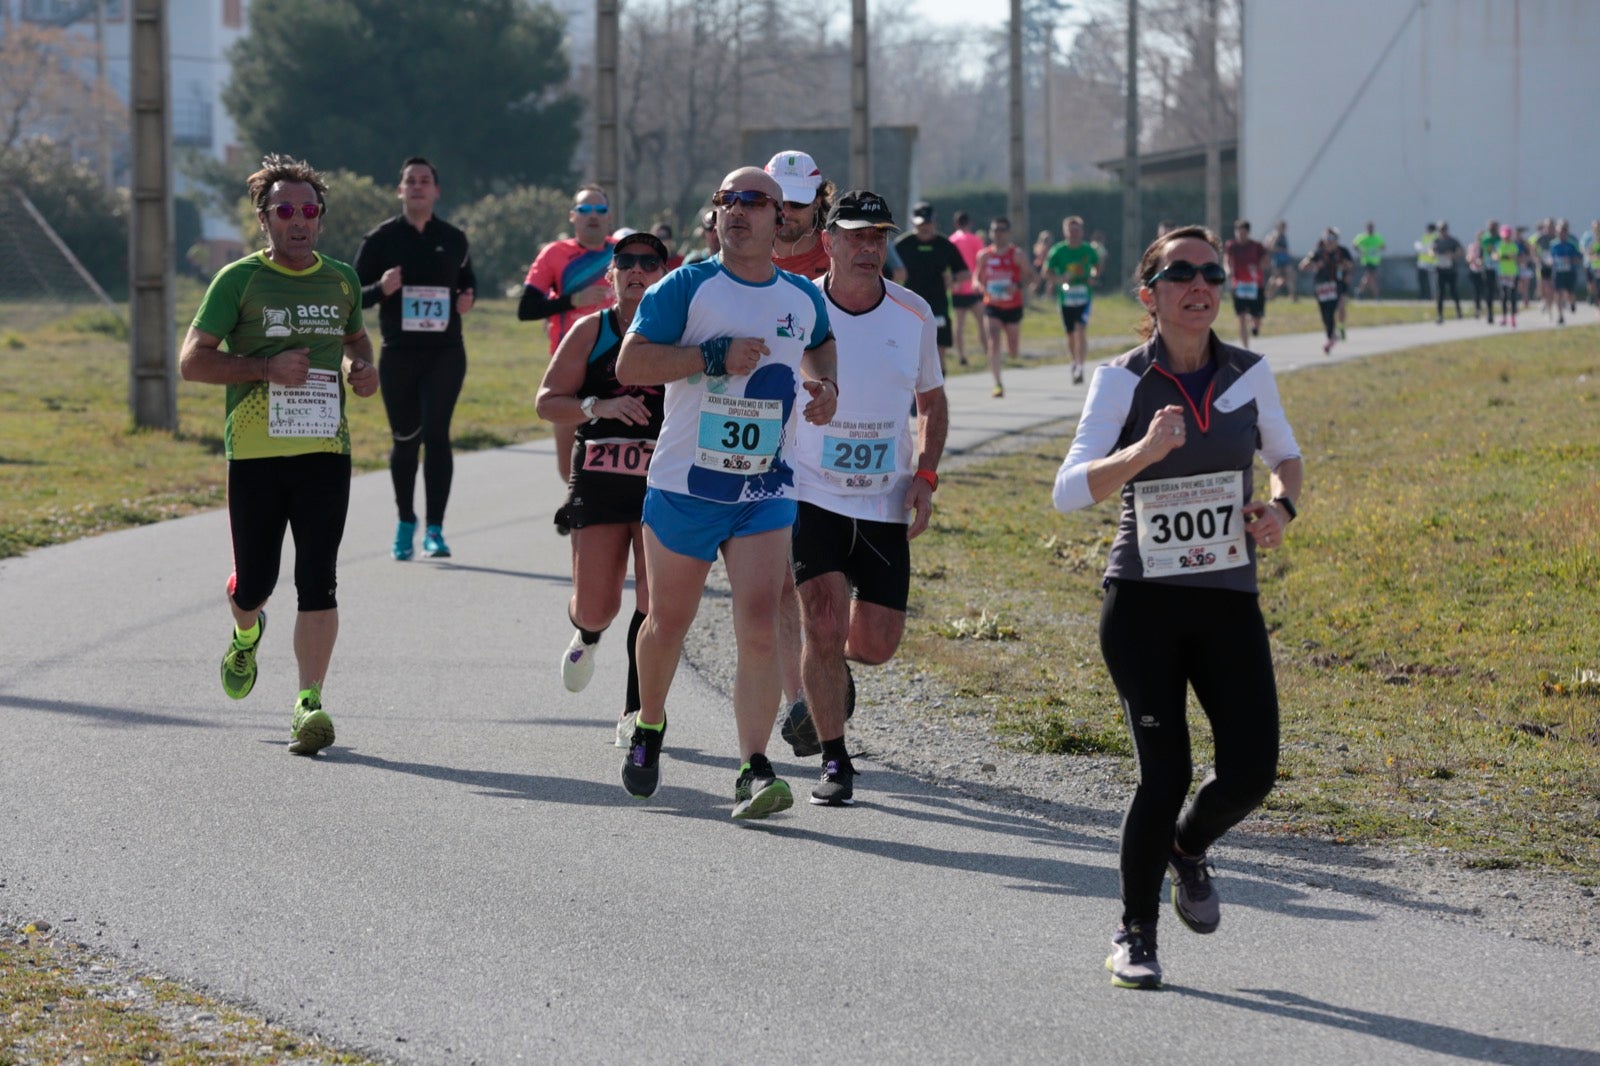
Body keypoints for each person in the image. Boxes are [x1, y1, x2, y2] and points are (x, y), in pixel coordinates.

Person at [1051, 223, 1303, 990]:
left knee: (1253, 771)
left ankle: (1187, 849)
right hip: (1142, 603)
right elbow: (1066, 493)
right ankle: (1135, 933)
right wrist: (1142, 454)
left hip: (1227, 597)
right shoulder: (1122, 380)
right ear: (1150, 294)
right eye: (1182, 273)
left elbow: (1285, 457)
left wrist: (1282, 509)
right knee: (1165, 772)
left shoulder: (1248, 373)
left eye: (1212, 275)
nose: (1201, 286)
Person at [613, 166, 838, 820]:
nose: (736, 211)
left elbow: (820, 348)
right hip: (685, 485)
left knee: (761, 625)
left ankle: (752, 767)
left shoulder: (801, 297)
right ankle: (649, 723)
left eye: (752, 201)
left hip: (766, 487)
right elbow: (631, 365)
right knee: (667, 624)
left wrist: (826, 389)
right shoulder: (686, 287)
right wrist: (711, 356)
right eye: (725, 201)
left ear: (781, 217)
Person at [178, 154, 379, 757]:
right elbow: (193, 361)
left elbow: (355, 336)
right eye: (285, 210)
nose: (299, 221)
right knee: (257, 583)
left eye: (309, 211)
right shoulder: (237, 281)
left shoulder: (340, 278)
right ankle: (246, 631)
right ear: (264, 218)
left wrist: (360, 368)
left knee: (319, 578)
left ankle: (309, 703)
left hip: (324, 450)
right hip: (257, 454)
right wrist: (264, 368)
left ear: (320, 218)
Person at [780, 190, 948, 806]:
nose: (869, 248)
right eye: (856, 236)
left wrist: (925, 478)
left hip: (883, 501)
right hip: (811, 492)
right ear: (829, 241)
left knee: (874, 644)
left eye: (879, 237)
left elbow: (932, 402)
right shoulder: (799, 308)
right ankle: (834, 760)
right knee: (822, 622)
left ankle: (826, 666)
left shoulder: (913, 313)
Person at [534, 232, 669, 743]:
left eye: (649, 262)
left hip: (662, 480)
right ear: (610, 276)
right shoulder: (592, 331)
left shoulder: (679, 332)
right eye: (626, 262)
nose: (638, 270)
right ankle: (588, 635)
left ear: (665, 274)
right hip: (600, 473)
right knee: (597, 604)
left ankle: (634, 712)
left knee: (653, 603)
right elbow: (548, 402)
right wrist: (599, 407)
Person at [353, 156, 475, 562]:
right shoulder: (381, 239)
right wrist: (381, 288)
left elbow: (468, 281)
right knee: (406, 439)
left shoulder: (455, 238)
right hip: (399, 353)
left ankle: (436, 530)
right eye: (411, 181)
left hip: (445, 353)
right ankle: (407, 521)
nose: (419, 186)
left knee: (437, 434)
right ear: (400, 190)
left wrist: (466, 298)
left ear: (436, 190)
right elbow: (353, 297)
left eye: (426, 180)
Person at [520, 185, 618, 490]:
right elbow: (527, 308)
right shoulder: (555, 254)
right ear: (572, 217)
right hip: (571, 367)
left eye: (599, 210)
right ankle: (577, 498)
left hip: (621, 365)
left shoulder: (625, 252)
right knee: (569, 468)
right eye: (585, 210)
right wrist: (573, 301)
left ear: (608, 217)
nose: (593, 217)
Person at [893, 201, 971, 374]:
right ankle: (914, 398)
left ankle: (938, 393)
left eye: (928, 223)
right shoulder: (902, 245)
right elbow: (885, 272)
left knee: (938, 352)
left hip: (938, 304)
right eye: (921, 224)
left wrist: (953, 279)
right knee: (912, 352)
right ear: (913, 223)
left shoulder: (945, 246)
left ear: (935, 222)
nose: (925, 228)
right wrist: (896, 276)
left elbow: (966, 273)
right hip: (910, 305)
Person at [973, 216, 1033, 398]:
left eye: (1001, 230)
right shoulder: (984, 255)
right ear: (991, 233)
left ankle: (1012, 353)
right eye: (995, 230)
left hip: (1013, 305)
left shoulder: (1017, 255)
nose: (998, 234)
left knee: (1013, 349)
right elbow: (977, 276)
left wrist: (1017, 286)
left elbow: (1030, 276)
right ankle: (997, 383)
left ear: (1008, 233)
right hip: (992, 304)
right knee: (993, 340)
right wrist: (978, 285)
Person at [1044, 215, 1102, 383]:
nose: (1074, 234)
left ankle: (1080, 366)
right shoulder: (1058, 251)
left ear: (1082, 232)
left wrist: (1093, 275)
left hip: (1084, 296)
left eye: (1077, 230)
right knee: (1070, 334)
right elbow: (1047, 272)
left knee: (1081, 329)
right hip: (1066, 297)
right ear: (1065, 233)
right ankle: (1074, 362)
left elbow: (1097, 266)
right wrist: (1059, 279)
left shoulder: (1088, 250)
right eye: (1071, 231)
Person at [765, 149, 832, 281]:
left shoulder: (841, 260)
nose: (786, 212)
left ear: (817, 203)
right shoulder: (744, 256)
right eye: (779, 202)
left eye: (798, 203)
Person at [1221, 219, 1267, 351]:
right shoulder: (1231, 245)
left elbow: (1265, 261)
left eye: (1243, 232)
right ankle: (1246, 349)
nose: (1240, 235)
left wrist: (1258, 267)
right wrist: (1228, 270)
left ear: (1248, 232)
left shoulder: (1256, 246)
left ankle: (1255, 326)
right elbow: (1226, 260)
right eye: (1238, 232)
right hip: (1239, 285)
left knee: (1257, 317)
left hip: (1255, 285)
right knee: (1241, 317)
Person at [1302, 231, 1350, 355]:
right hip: (1321, 287)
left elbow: (1350, 265)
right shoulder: (1318, 252)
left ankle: (1336, 332)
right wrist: (1314, 265)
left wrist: (1345, 267)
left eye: (1332, 239)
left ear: (1336, 240)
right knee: (1325, 314)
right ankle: (1331, 336)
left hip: (1337, 285)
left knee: (1337, 308)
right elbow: (1303, 266)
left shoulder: (1342, 251)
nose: (1329, 242)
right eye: (1327, 239)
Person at [948, 210, 984, 367]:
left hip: (957, 288)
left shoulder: (951, 240)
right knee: (983, 323)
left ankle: (961, 356)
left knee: (959, 326)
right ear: (970, 223)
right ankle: (988, 351)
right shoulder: (976, 239)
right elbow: (982, 263)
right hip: (974, 288)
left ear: (955, 224)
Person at [1548, 219, 1581, 326]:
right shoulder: (1553, 244)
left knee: (1570, 293)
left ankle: (1572, 303)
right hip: (1558, 272)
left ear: (1566, 232)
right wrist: (1551, 261)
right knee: (1558, 294)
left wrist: (1570, 260)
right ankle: (1560, 316)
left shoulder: (1572, 244)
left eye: (1563, 231)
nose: (1561, 233)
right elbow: (1550, 257)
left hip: (1570, 272)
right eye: (1559, 231)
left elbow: (1579, 258)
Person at [1431, 221, 1463, 322]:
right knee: (1440, 293)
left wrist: (1453, 255)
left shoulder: (1452, 241)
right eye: (1440, 230)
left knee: (1453, 291)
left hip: (1451, 270)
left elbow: (1460, 251)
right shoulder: (1436, 241)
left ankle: (1459, 312)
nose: (1442, 231)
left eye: (1444, 229)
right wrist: (1432, 253)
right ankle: (1440, 315)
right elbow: (1431, 250)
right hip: (1440, 269)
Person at [1493, 224, 1523, 327]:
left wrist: (1504, 257)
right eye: (1504, 236)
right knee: (1504, 296)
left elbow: (1515, 257)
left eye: (1507, 236)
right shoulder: (1499, 245)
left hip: (1512, 273)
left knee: (1513, 296)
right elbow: (1495, 256)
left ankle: (1513, 318)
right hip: (1502, 273)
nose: (1506, 238)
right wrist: (1503, 257)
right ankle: (1504, 317)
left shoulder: (1514, 245)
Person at [1352, 221, 1384, 299]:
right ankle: (1376, 295)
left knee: (1368, 277)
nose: (1370, 229)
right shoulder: (1363, 237)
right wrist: (1361, 251)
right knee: (1371, 276)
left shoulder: (1377, 237)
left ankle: (1359, 291)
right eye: (1369, 228)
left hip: (1375, 261)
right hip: (1366, 260)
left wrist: (1376, 249)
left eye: (1371, 228)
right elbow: (1355, 245)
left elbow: (1383, 246)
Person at [1265, 220, 1296, 300]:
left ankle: (1292, 296)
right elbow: (1270, 248)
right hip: (1277, 260)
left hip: (1285, 259)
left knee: (1289, 277)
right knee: (1275, 278)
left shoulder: (1284, 236)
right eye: (1282, 227)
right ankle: (1268, 294)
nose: (1284, 229)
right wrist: (1281, 250)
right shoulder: (1275, 235)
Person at [1479, 218, 1501, 324]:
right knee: (1489, 291)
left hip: (1500, 268)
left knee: (1502, 291)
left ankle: (1504, 313)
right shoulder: (1485, 239)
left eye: (1493, 228)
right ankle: (1490, 313)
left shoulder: (1501, 238)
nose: (1491, 230)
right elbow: (1485, 251)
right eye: (1490, 228)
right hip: (1488, 268)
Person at [1414, 221, 1437, 305]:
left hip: (1431, 263)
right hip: (1422, 263)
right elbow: (1420, 247)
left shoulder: (1435, 237)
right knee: (1421, 281)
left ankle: (1431, 297)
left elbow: (1431, 248)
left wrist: (1424, 249)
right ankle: (1423, 296)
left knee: (1431, 282)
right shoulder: (1424, 236)